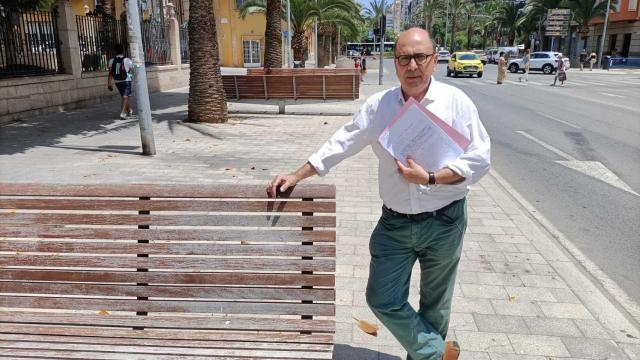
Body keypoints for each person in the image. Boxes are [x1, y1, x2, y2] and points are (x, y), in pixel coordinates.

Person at [267, 27, 490, 360]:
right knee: (381, 298)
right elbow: (340, 142)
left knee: (436, 304)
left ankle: (425, 356)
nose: (412, 66)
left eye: (420, 57)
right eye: (404, 58)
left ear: (433, 58)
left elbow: (480, 159)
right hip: (395, 223)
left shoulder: (456, 103)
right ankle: (436, 352)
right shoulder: (380, 107)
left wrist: (429, 177)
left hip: (446, 219)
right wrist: (298, 174)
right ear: (395, 61)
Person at [107, 43, 134, 120]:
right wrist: (130, 76)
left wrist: (109, 84)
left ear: (115, 51)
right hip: (126, 80)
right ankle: (123, 113)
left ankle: (129, 110)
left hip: (117, 81)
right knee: (125, 96)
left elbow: (110, 74)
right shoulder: (127, 60)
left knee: (124, 96)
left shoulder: (111, 61)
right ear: (123, 51)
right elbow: (132, 71)